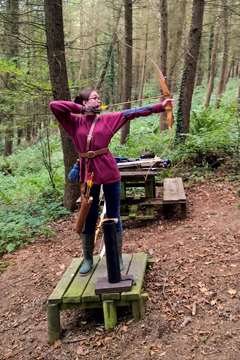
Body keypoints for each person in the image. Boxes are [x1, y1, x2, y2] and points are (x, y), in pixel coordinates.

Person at [50, 89, 174, 276]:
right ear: (84, 103)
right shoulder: (73, 122)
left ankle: (115, 257)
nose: (99, 100)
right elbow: (54, 106)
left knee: (113, 215)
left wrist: (160, 107)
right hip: (88, 174)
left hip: (109, 172)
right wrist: (80, 110)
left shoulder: (108, 120)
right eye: (94, 98)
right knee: (88, 216)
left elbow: (132, 112)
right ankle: (88, 259)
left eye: (99, 98)